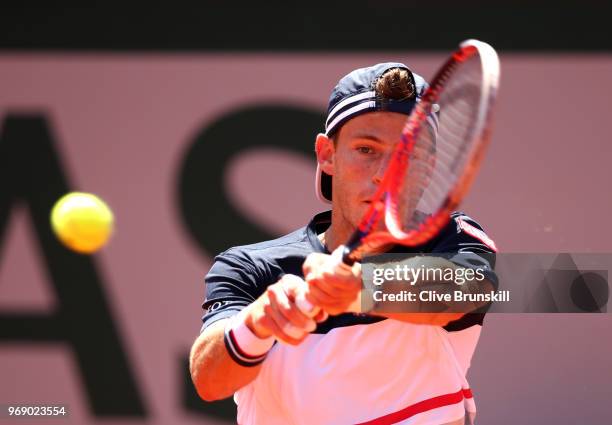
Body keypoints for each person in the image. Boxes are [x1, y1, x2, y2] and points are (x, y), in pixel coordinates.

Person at [189, 62, 498, 425]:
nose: (385, 174)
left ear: (428, 166)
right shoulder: (249, 268)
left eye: (406, 156)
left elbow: (465, 290)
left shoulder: (452, 239)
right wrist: (257, 323)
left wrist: (357, 287)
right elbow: (209, 380)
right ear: (327, 154)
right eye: (366, 150)